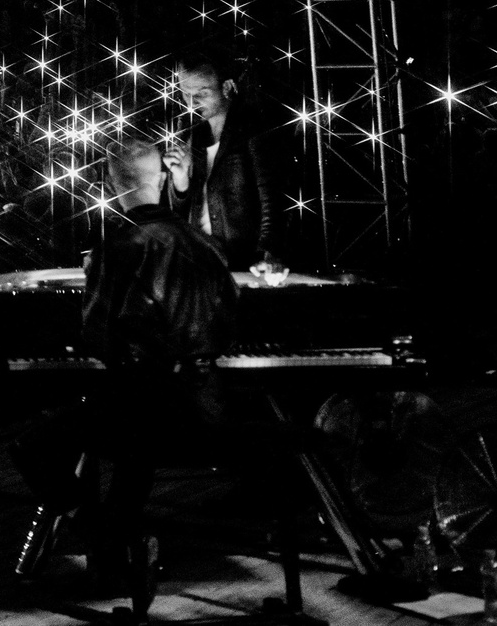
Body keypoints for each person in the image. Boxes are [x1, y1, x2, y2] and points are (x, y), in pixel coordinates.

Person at [15, 141, 239, 599]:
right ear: (161, 178)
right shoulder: (208, 245)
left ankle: (102, 536)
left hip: (146, 408)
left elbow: (97, 338)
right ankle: (117, 550)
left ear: (110, 185)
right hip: (207, 410)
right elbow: (230, 325)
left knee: (32, 445)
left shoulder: (119, 247)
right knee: (130, 445)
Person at [163, 53, 292, 271]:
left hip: (244, 264)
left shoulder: (252, 131)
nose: (192, 102)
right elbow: (180, 214)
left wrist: (270, 253)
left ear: (227, 87)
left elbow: (272, 198)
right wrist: (180, 180)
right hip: (202, 263)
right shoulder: (194, 137)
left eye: (202, 93)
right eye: (185, 93)